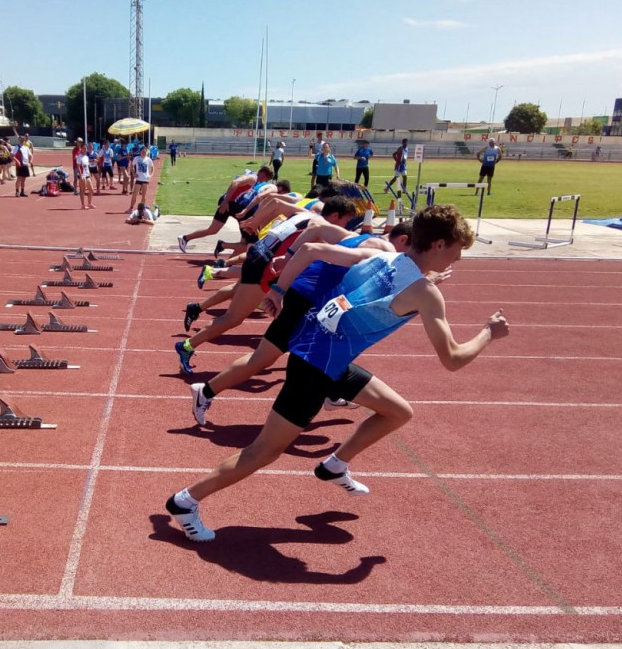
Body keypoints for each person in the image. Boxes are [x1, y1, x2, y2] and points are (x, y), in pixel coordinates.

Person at [164, 204, 510, 542]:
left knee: (397, 412)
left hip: (321, 354)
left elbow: (316, 252)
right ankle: (185, 501)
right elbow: (452, 358)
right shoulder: (425, 293)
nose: (459, 259)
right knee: (262, 452)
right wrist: (488, 333)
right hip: (317, 368)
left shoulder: (383, 256)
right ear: (438, 245)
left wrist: (280, 290)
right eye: (457, 251)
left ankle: (334, 465)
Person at [189, 223, 418, 426]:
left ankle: (330, 393)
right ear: (403, 241)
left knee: (319, 352)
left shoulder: (352, 235)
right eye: (412, 254)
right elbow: (311, 249)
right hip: (306, 300)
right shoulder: (384, 251)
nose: (409, 262)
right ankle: (206, 391)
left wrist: (287, 261)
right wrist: (278, 291)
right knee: (264, 358)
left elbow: (315, 228)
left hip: (309, 299)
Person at [174, 195, 358, 375]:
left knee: (294, 312)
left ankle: (300, 353)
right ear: (335, 216)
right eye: (345, 221)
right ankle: (186, 346)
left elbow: (276, 202)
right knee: (233, 318)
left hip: (259, 257)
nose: (344, 226)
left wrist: (255, 222)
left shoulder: (306, 214)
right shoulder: (322, 227)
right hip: (262, 268)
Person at [177, 165, 275, 253]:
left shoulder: (255, 178)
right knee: (244, 232)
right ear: (263, 173)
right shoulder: (253, 178)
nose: (264, 181)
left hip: (233, 205)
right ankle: (231, 257)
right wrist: (226, 201)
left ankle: (185, 238)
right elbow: (235, 182)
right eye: (266, 178)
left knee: (213, 230)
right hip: (229, 204)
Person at [128, 145, 154, 212]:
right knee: (134, 194)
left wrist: (151, 175)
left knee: (143, 195)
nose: (144, 153)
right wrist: (133, 173)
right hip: (138, 179)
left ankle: (142, 209)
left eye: (145, 152)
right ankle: (131, 208)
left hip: (145, 179)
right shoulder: (137, 158)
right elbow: (131, 166)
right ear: (140, 152)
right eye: (142, 151)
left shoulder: (148, 159)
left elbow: (152, 168)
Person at [76, 144, 95, 209]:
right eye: (83, 148)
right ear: (81, 149)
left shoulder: (86, 157)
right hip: (82, 176)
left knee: (91, 190)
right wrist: (81, 175)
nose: (85, 149)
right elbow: (78, 166)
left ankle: (89, 203)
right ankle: (83, 205)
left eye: (86, 148)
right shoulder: (79, 157)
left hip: (87, 175)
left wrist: (89, 173)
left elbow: (87, 166)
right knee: (82, 190)